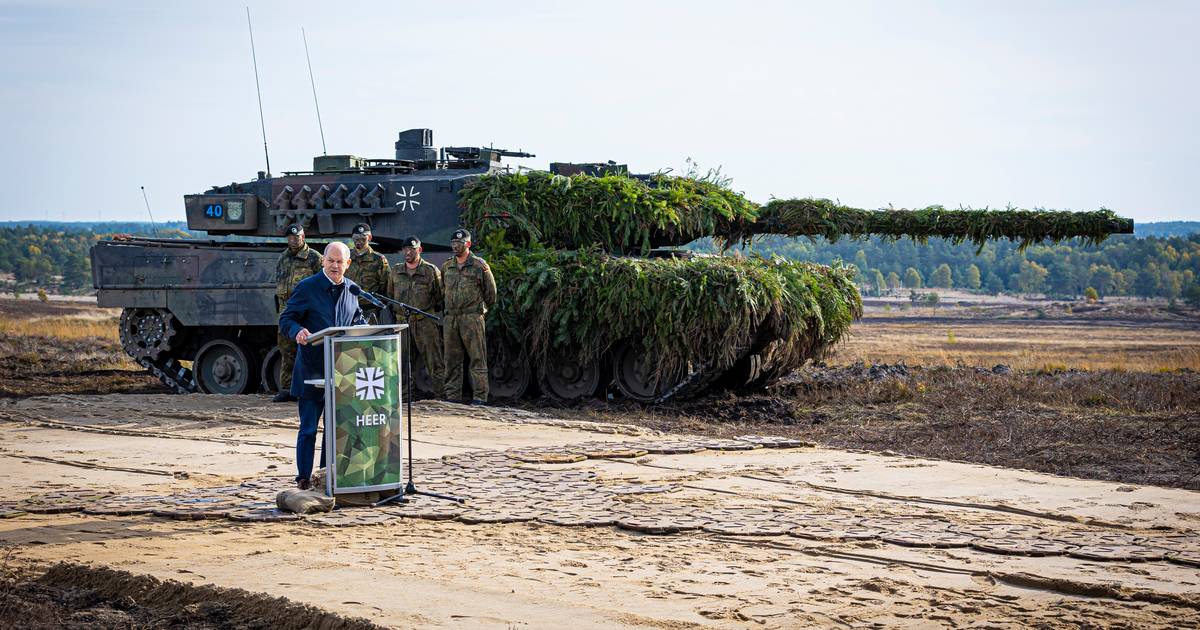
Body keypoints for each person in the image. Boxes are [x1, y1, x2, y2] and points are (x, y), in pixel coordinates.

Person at [278, 242, 367, 489]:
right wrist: (297, 331)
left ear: (348, 264)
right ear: (323, 261)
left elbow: (356, 318)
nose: (335, 266)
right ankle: (304, 478)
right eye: (331, 261)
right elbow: (286, 319)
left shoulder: (353, 290)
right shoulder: (307, 288)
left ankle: (326, 477)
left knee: (333, 430)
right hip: (311, 370)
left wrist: (366, 330)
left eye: (341, 262)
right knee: (308, 429)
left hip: (342, 371)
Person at [441, 229, 496, 405]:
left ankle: (480, 397)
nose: (456, 246)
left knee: (477, 358)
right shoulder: (447, 266)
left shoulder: (479, 265)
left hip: (472, 317)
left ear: (468, 244)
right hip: (451, 318)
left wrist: (479, 310)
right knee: (451, 359)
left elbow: (491, 294)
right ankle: (452, 396)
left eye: (460, 243)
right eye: (453, 244)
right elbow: (443, 290)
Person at [387, 236, 445, 398]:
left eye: (412, 249)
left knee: (434, 360)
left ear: (419, 250)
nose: (407, 252)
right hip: (402, 322)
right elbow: (390, 295)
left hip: (424, 322)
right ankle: (405, 395)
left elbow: (439, 297)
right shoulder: (396, 271)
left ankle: (440, 395)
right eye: (405, 249)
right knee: (402, 360)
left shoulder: (430, 271)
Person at [273, 223, 322, 403]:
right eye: (291, 237)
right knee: (286, 349)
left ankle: (309, 387)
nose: (294, 240)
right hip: (286, 309)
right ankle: (286, 389)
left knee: (309, 348)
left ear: (303, 237)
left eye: (297, 236)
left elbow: (322, 283)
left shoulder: (314, 258)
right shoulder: (283, 258)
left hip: (307, 310)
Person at [345, 223, 390, 323]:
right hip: (348, 309)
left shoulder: (378, 259)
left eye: (362, 238)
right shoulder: (346, 257)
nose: (359, 241)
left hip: (370, 311)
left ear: (369, 238)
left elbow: (386, 286)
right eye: (356, 238)